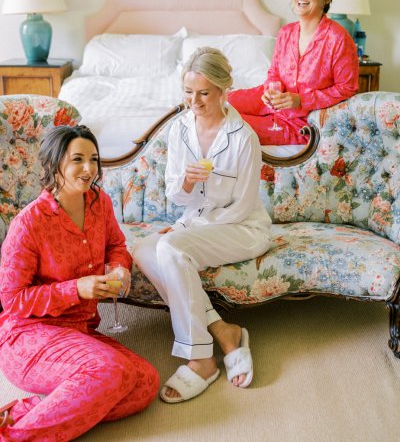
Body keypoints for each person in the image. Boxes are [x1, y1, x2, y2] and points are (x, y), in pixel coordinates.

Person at [0, 125, 159, 441]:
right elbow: (12, 299)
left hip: (80, 327)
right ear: (54, 163)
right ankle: (15, 436)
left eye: (94, 159)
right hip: (29, 336)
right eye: (77, 160)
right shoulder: (28, 224)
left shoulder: (100, 202)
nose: (89, 170)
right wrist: (76, 288)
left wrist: (119, 270)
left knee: (145, 383)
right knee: (110, 372)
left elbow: (116, 245)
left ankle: (33, 410)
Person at [134, 47, 273, 404]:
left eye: (204, 93)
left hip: (242, 229)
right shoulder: (179, 130)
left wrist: (188, 230)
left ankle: (201, 359)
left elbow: (241, 207)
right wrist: (185, 184)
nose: (194, 101)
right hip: (196, 224)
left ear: (224, 90)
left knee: (170, 246)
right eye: (188, 92)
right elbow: (174, 196)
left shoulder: (243, 137)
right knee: (144, 248)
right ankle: (224, 331)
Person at [228, 0, 359, 145]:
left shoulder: (338, 39)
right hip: (270, 103)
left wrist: (301, 100)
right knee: (218, 102)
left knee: (227, 123)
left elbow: (347, 89)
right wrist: (269, 91)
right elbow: (274, 72)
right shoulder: (286, 33)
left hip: (298, 123)